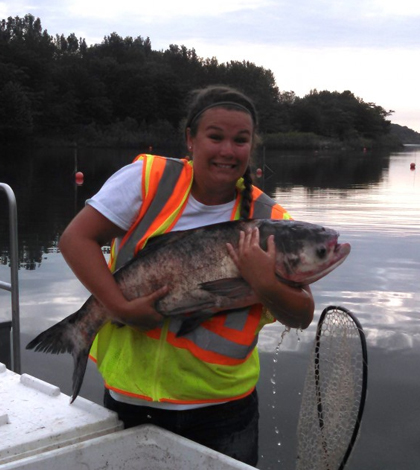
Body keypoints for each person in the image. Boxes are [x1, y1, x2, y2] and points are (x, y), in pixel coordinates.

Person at [59, 85, 314, 466]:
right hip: (132, 400)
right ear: (190, 140)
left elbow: (301, 314)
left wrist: (264, 282)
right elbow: (75, 239)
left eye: (240, 140)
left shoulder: (274, 224)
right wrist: (121, 308)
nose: (228, 150)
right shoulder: (147, 179)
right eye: (216, 136)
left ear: (252, 147)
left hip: (223, 410)